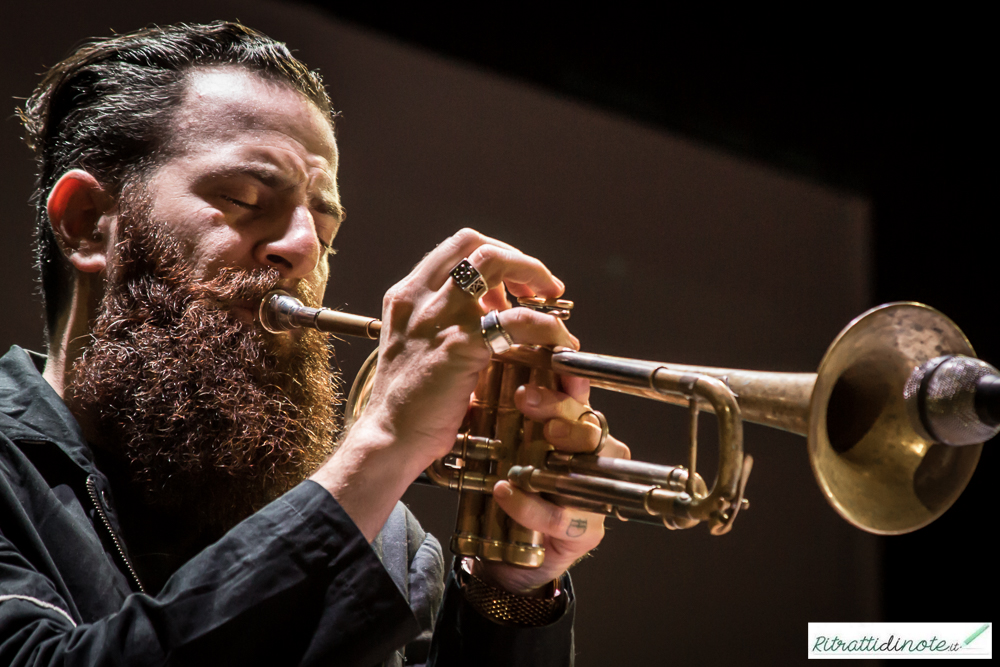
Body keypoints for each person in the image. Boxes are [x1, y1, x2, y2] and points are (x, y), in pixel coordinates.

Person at [0, 21, 629, 666]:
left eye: (323, 231)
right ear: (86, 224)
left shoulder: (387, 545)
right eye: (246, 199)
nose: (302, 249)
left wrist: (511, 590)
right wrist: (383, 443)